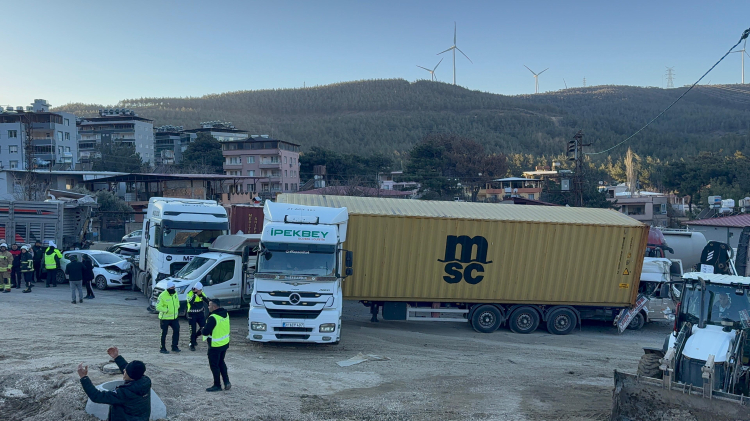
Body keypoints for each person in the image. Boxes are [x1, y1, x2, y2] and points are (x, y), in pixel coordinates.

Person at [77, 346, 151, 421]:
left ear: (130, 375)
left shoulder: (124, 393)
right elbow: (130, 370)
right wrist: (116, 357)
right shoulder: (145, 381)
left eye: (125, 371)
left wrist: (84, 378)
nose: (124, 370)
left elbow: (96, 396)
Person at [202, 298, 231, 392]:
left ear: (214, 307)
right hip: (224, 343)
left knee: (214, 365)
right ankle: (227, 382)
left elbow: (205, 332)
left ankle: (217, 385)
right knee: (221, 362)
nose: (208, 307)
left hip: (215, 346)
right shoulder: (225, 314)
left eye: (209, 305)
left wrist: (202, 330)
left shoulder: (213, 318)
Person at [155, 281, 181, 354]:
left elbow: (177, 301)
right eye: (172, 288)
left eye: (174, 287)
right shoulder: (162, 295)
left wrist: (177, 306)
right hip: (165, 318)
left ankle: (174, 346)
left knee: (176, 331)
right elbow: (158, 307)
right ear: (168, 288)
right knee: (164, 333)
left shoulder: (175, 293)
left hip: (174, 318)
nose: (173, 289)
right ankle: (162, 348)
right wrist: (166, 310)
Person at [187, 282, 208, 352]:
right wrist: (195, 294)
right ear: (196, 289)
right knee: (192, 330)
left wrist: (201, 295)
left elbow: (206, 300)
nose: (201, 291)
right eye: (200, 290)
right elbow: (190, 302)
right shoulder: (190, 293)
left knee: (204, 327)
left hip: (200, 313)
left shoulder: (201, 293)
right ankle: (192, 344)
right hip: (192, 314)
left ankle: (196, 336)